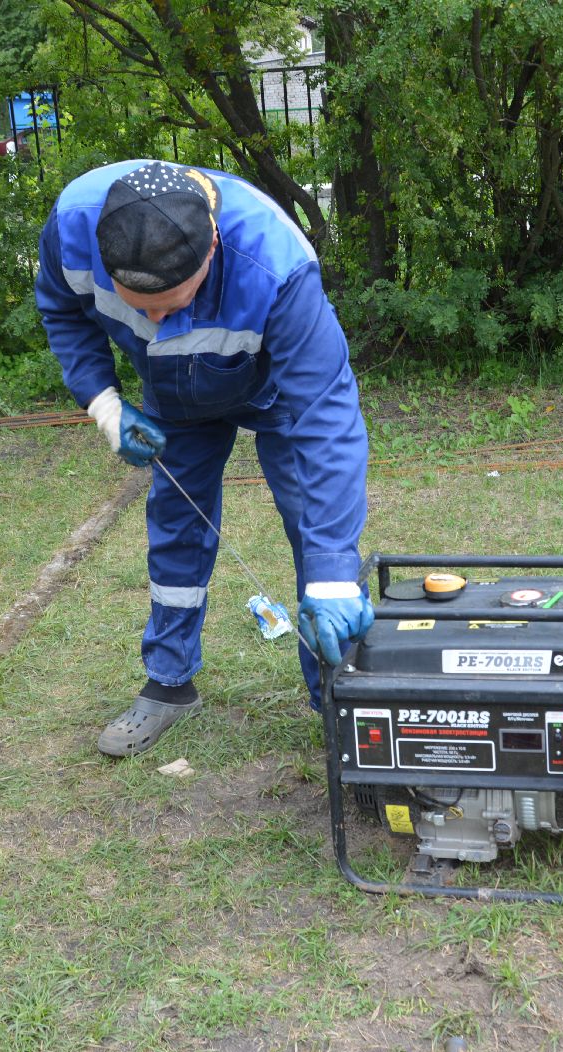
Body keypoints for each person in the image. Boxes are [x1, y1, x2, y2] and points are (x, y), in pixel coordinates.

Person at [35, 160, 374, 757]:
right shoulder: (73, 225)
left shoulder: (276, 262)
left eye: (170, 304)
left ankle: (336, 701)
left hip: (278, 394)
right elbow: (62, 310)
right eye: (140, 307)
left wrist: (332, 575)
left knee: (315, 536)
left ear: (212, 247)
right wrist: (104, 402)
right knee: (176, 531)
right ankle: (169, 686)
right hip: (172, 400)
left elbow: (326, 412)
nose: (157, 325)